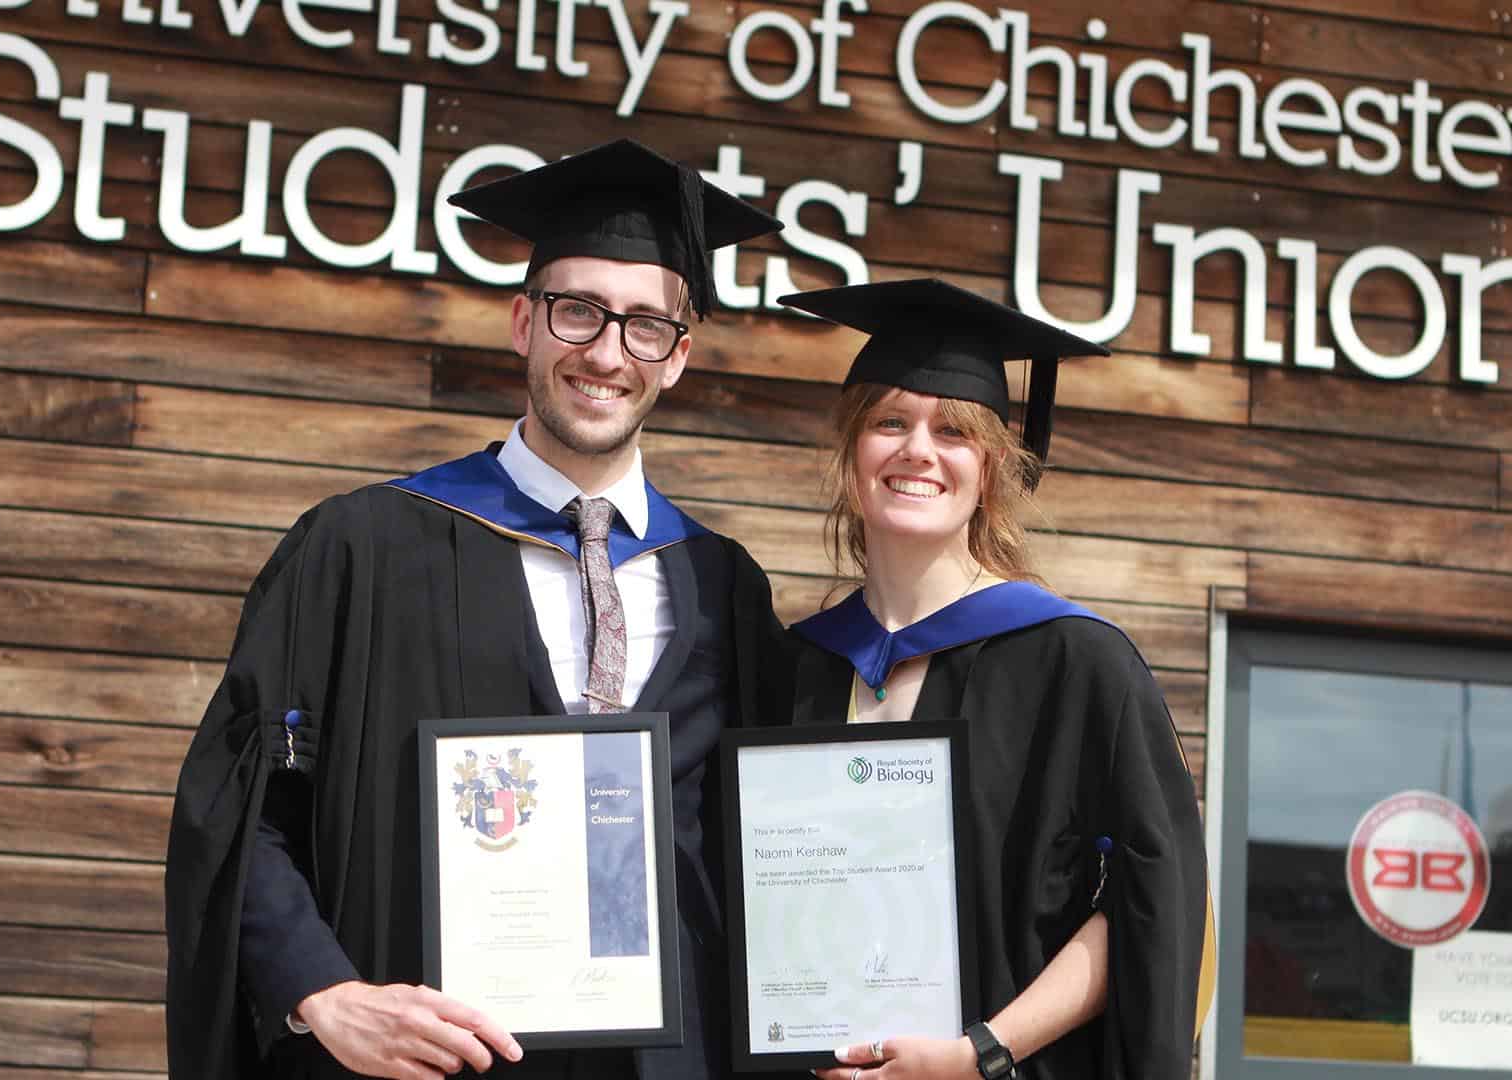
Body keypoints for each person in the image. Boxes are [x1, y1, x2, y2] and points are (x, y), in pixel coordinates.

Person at [164, 138, 788, 1080]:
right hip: (432, 1060)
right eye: (577, 311)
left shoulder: (724, 588)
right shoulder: (362, 548)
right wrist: (323, 995)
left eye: (644, 327)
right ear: (523, 323)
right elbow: (240, 806)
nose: (606, 352)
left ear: (679, 356)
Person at [772, 279, 1214, 1080]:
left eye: (953, 431)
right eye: (890, 422)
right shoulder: (794, 667)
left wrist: (981, 1052)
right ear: (851, 451)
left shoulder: (1078, 664)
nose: (918, 450)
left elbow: (1154, 901)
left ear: (993, 468)